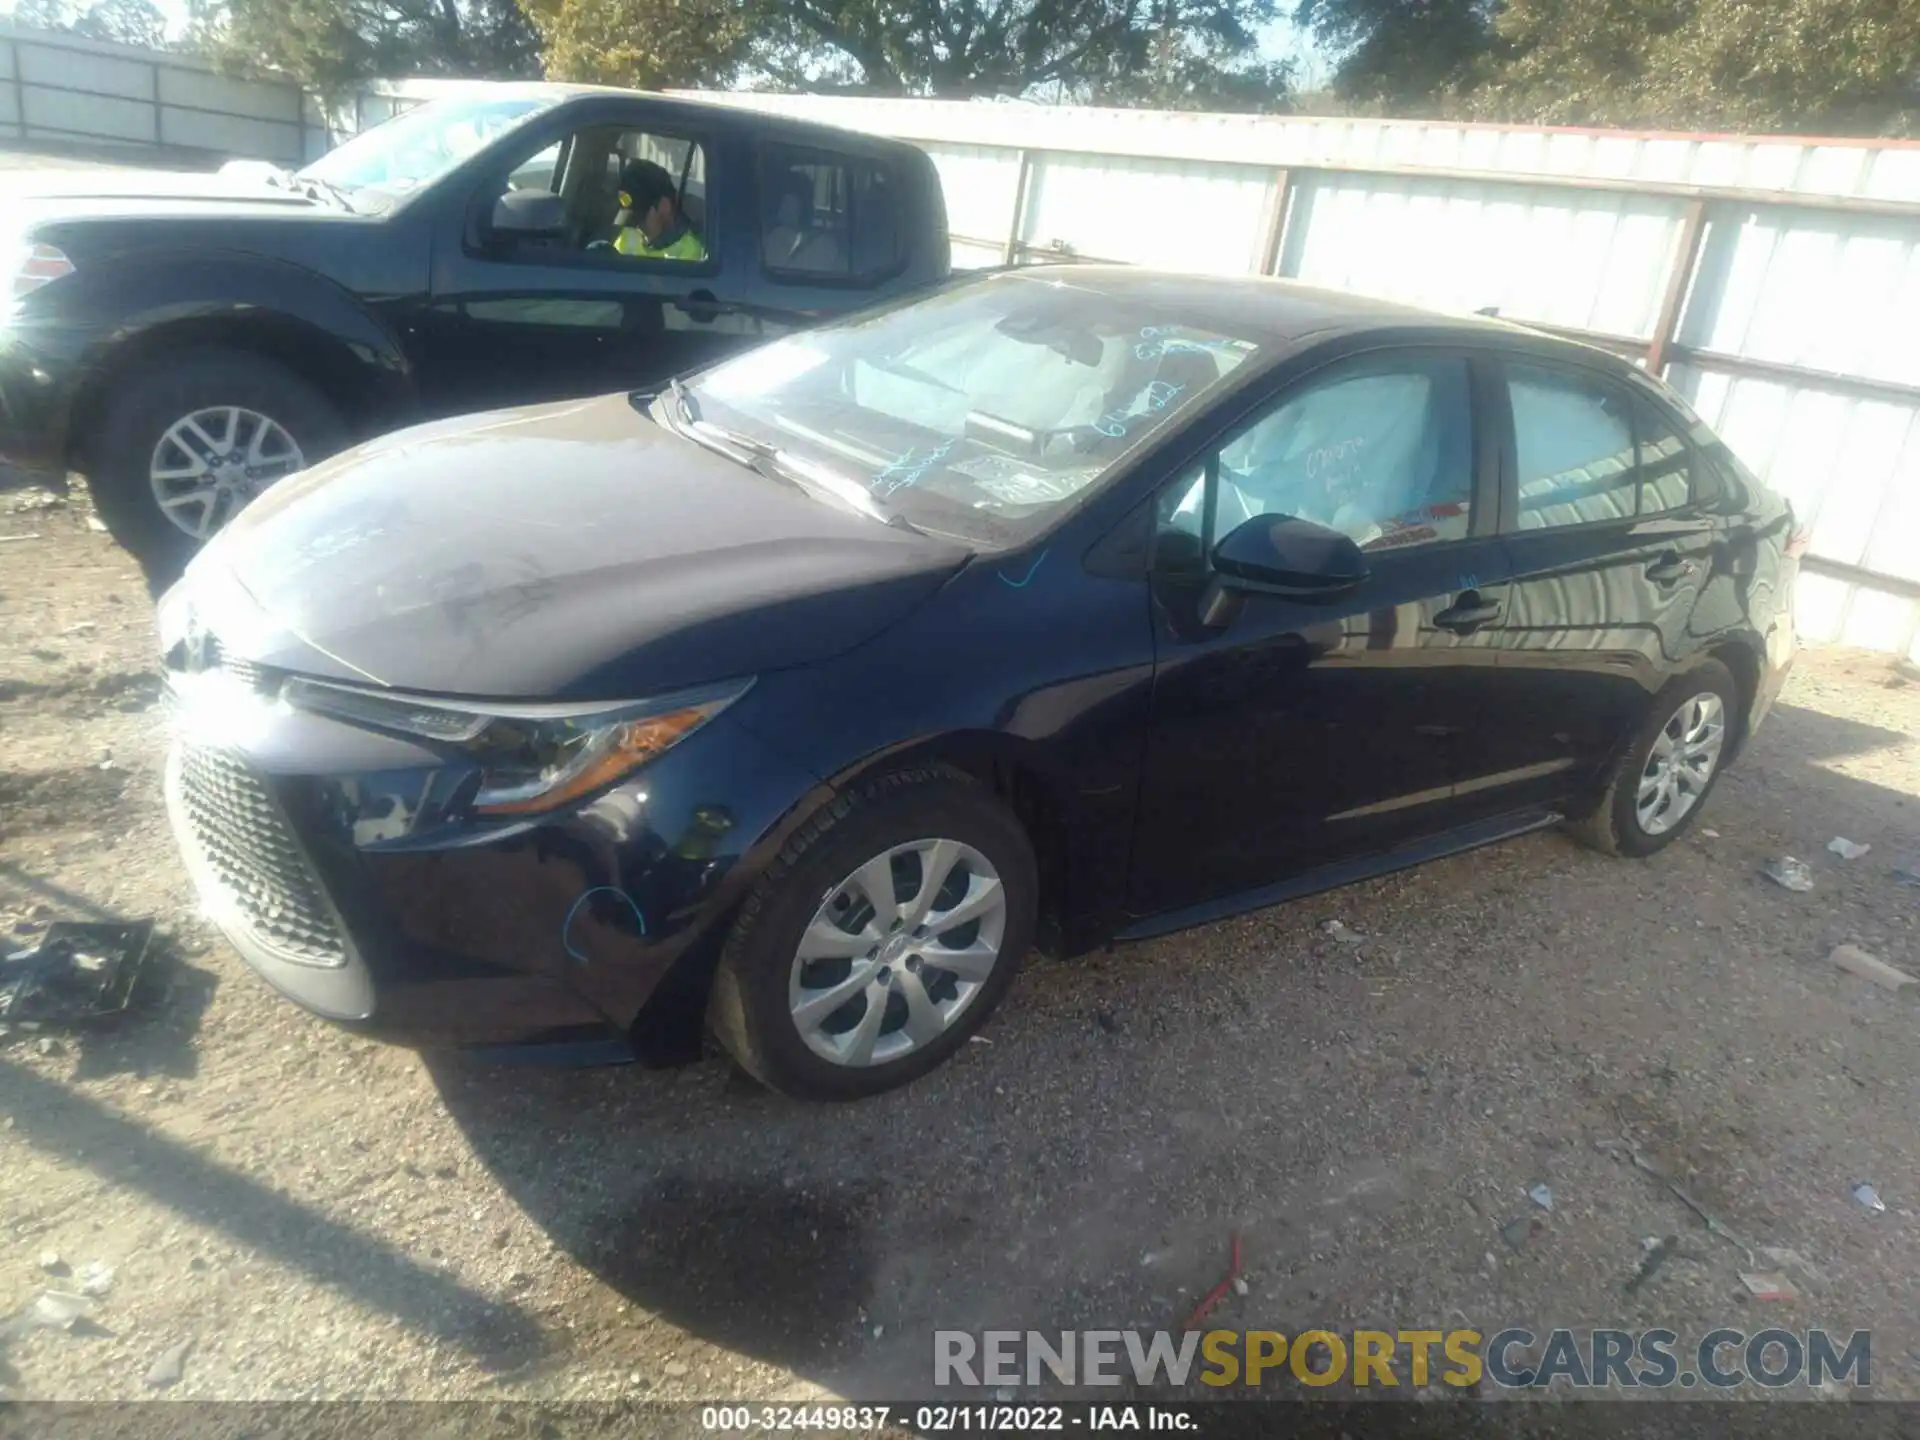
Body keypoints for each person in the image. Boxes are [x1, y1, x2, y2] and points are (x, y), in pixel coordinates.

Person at [612, 158, 707, 261]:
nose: (637, 228)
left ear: (664, 206)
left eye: (641, 218)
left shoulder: (692, 254)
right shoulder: (625, 238)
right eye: (632, 221)